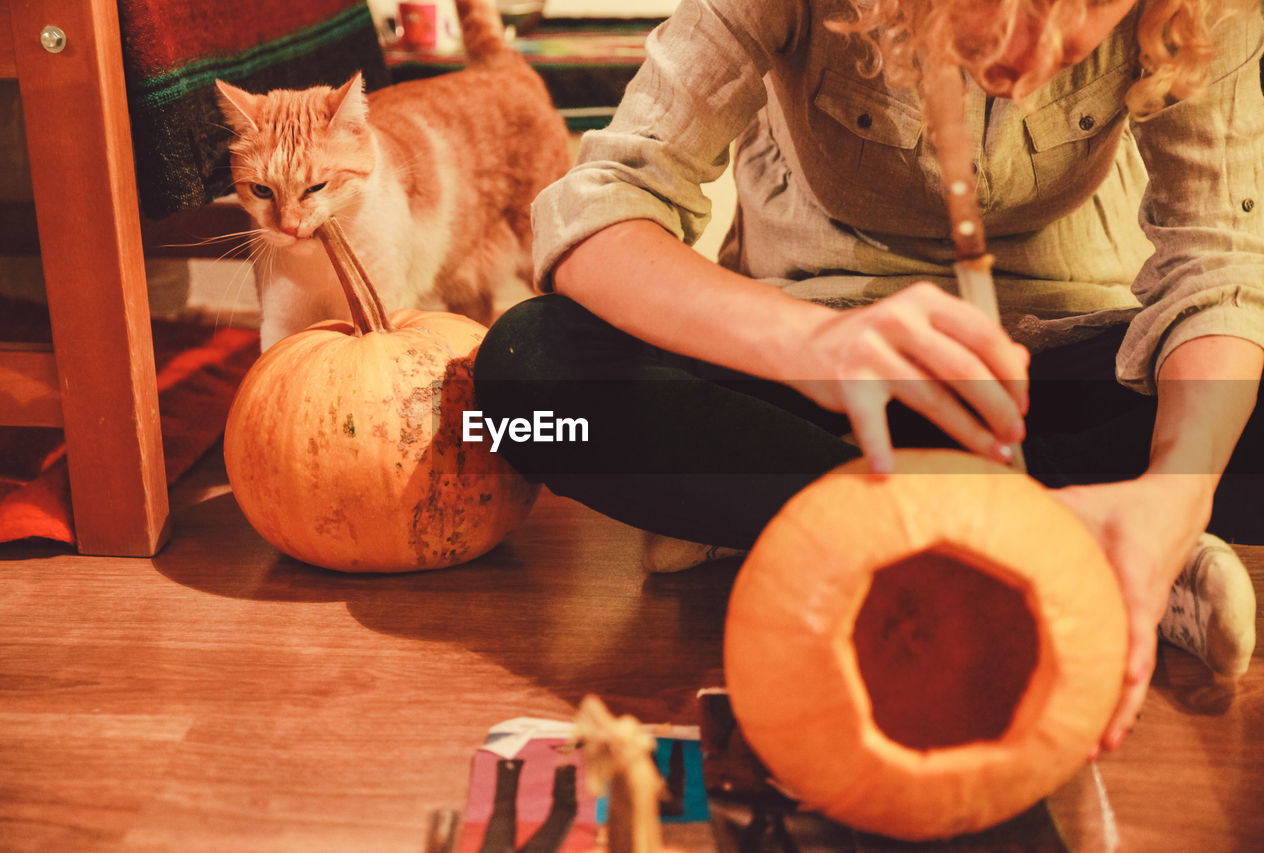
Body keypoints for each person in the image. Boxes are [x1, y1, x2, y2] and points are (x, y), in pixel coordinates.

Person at [473, 0, 1264, 755]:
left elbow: (1220, 263)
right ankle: (1070, 542)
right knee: (526, 382)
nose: (1027, 59)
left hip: (1056, 363)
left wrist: (1176, 486)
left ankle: (806, 520)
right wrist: (819, 344)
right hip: (822, 386)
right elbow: (597, 213)